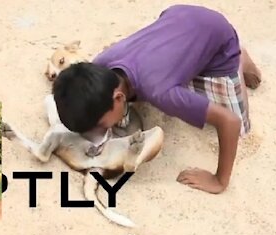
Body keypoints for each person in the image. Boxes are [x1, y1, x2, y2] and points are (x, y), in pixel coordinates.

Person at [52, 4, 261, 194]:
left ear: (118, 97)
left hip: (217, 38)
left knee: (240, 127)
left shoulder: (161, 92)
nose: (100, 132)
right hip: (178, 18)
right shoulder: (100, 64)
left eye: (100, 126)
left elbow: (229, 122)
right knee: (169, 74)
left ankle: (237, 56)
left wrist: (219, 180)